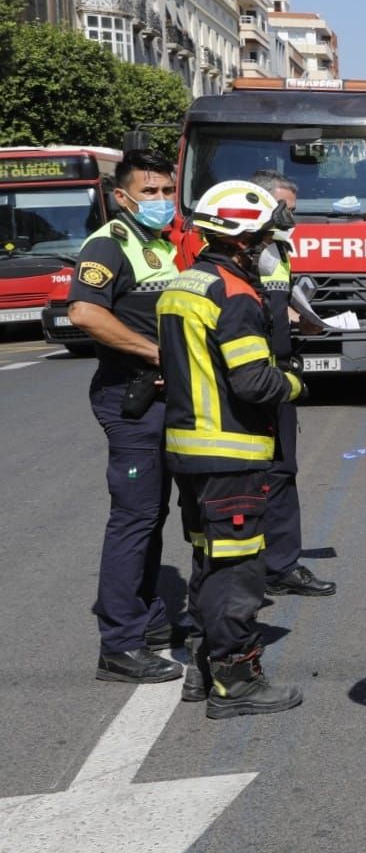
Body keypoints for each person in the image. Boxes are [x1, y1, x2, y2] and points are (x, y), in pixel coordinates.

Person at [159, 180, 307, 718]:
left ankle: (203, 671)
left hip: (188, 451)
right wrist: (293, 384)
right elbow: (252, 383)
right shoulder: (235, 294)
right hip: (230, 453)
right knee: (239, 570)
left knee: (207, 560)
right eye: (265, 235)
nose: (269, 244)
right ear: (243, 239)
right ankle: (234, 680)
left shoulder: (183, 284)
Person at [68, 150, 184, 683]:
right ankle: (118, 644)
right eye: (151, 192)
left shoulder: (160, 245)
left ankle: (148, 619)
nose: (161, 201)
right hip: (130, 398)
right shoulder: (108, 245)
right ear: (122, 197)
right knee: (134, 517)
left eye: (166, 191)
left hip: (163, 399)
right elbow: (85, 311)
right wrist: (156, 354)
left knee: (154, 512)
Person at [241, 170, 336, 598]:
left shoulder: (278, 250)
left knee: (283, 470)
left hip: (278, 371)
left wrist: (304, 321)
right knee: (245, 475)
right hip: (247, 374)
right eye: (285, 209)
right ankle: (243, 571)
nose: (290, 219)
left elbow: (277, 304)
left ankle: (282, 566)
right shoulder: (237, 250)